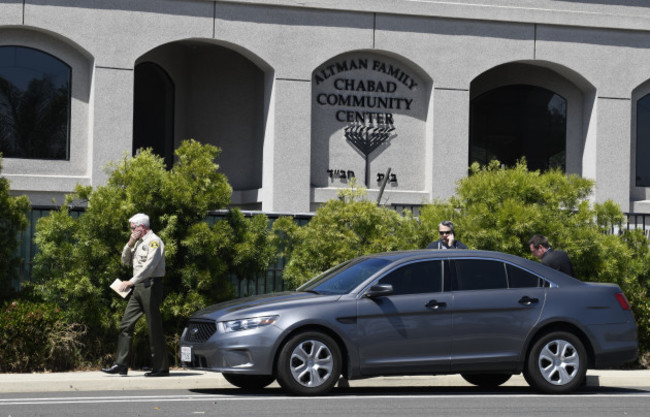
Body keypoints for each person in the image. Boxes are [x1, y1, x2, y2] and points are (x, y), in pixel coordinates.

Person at [102, 213, 169, 377]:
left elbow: (149, 267)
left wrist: (131, 282)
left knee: (153, 326)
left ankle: (161, 367)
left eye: (133, 228)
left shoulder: (154, 241)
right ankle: (121, 364)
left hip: (150, 286)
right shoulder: (138, 243)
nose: (131, 231)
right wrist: (130, 242)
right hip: (138, 287)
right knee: (126, 324)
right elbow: (125, 261)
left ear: (142, 227)